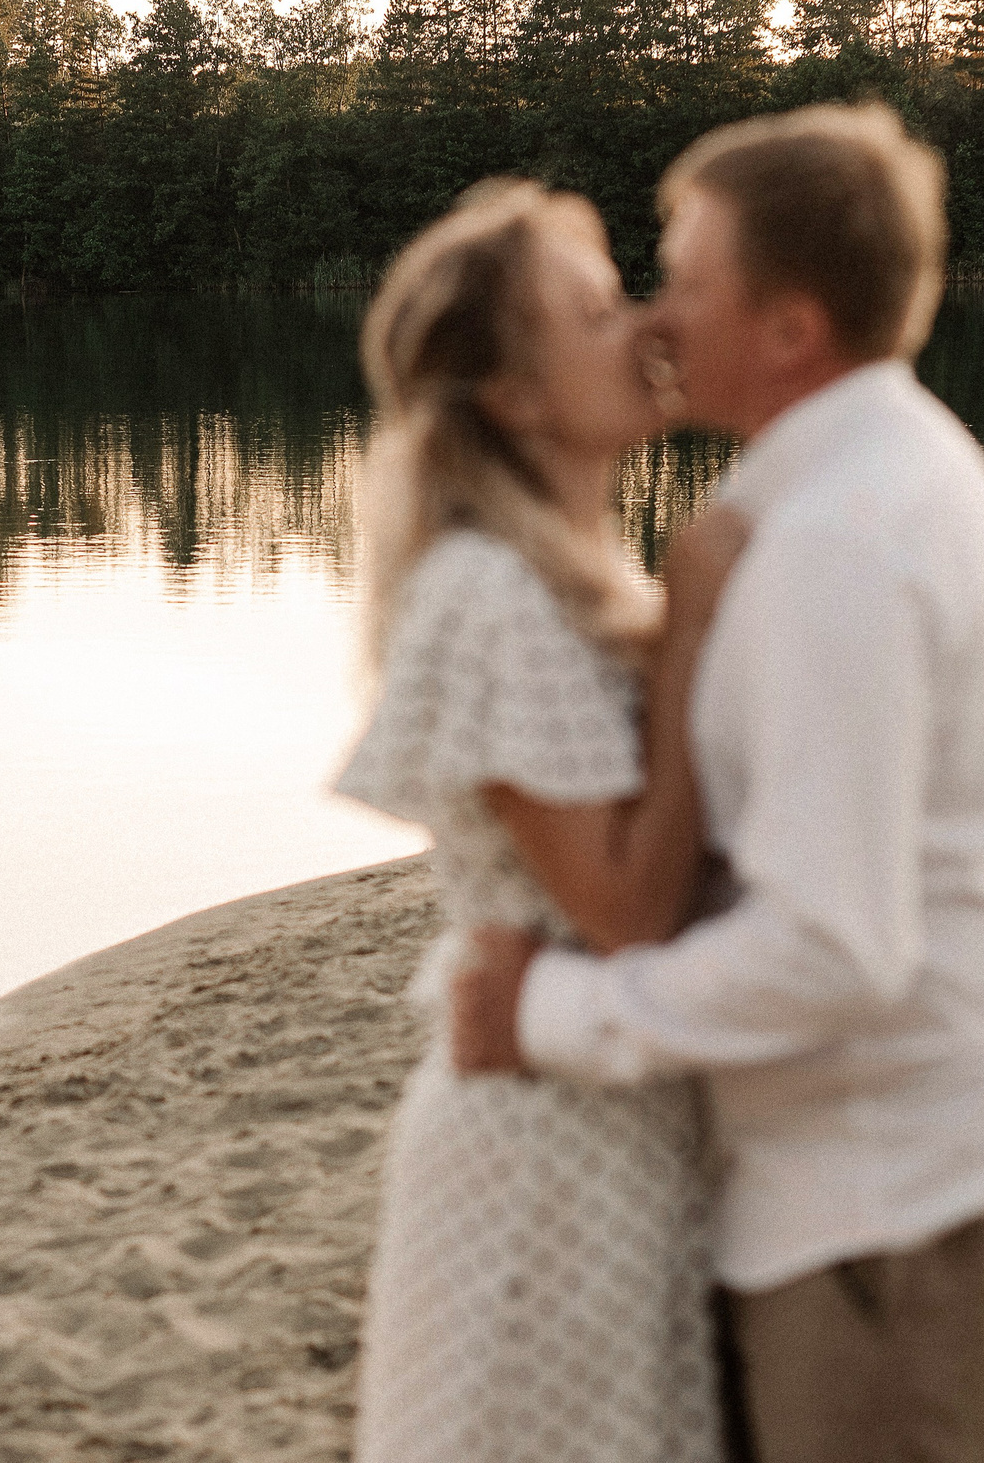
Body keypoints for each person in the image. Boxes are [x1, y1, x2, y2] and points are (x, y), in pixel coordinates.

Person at [448, 104, 984, 1463]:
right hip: (924, 1170)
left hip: (902, 1206)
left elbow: (832, 948)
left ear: (790, 327)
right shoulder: (893, 477)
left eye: (688, 280)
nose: (654, 314)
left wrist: (555, 1009)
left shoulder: (837, 547)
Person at [333, 178, 747, 1463]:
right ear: (512, 395)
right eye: (593, 309)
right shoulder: (484, 592)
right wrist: (692, 629)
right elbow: (620, 901)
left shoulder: (576, 576)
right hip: (536, 1149)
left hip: (610, 1118)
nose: (639, 326)